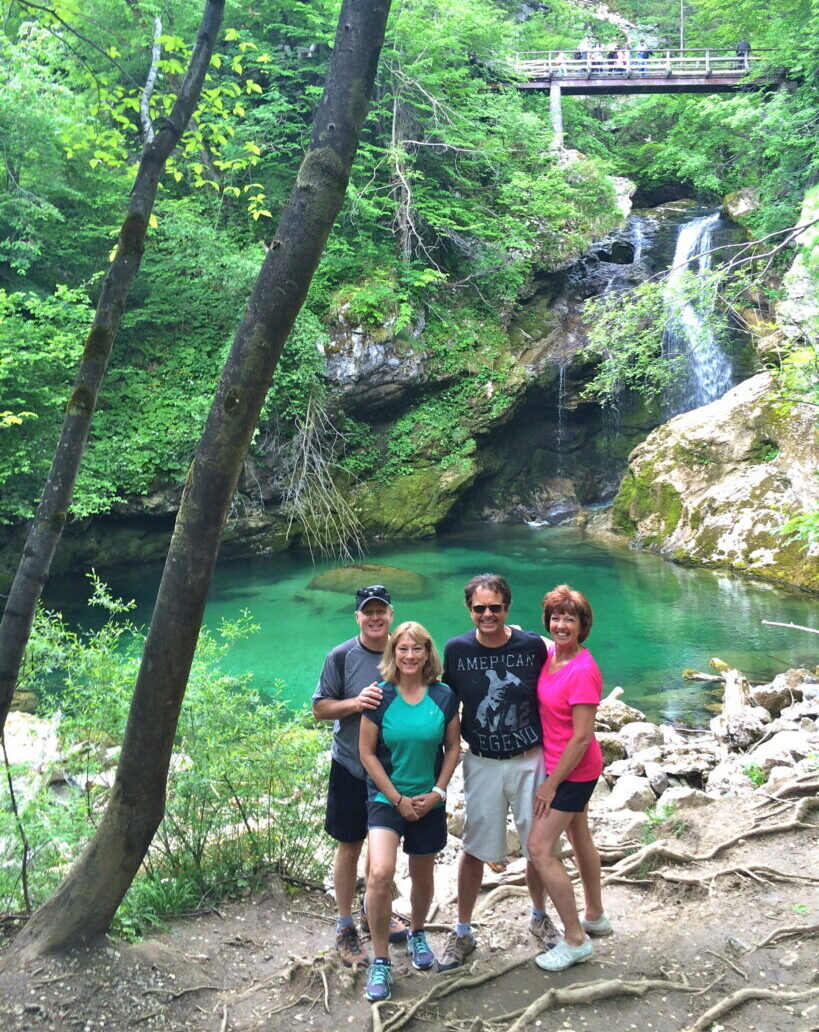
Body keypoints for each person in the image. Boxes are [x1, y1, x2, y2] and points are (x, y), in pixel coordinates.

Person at [437, 574, 560, 971]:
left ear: (508, 608)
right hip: (483, 761)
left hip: (530, 758)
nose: (487, 615)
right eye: (480, 608)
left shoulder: (532, 647)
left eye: (495, 607)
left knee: (537, 847)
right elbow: (445, 703)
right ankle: (462, 930)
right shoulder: (456, 650)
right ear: (469, 609)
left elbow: (557, 691)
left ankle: (541, 919)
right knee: (474, 847)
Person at [359, 622, 460, 1002]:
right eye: (402, 649)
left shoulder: (444, 695)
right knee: (380, 873)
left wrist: (437, 792)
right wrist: (397, 798)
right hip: (387, 799)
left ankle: (418, 933)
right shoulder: (380, 697)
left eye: (417, 649)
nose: (409, 656)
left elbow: (453, 747)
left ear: (427, 652)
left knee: (422, 871)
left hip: (428, 799)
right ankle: (381, 960)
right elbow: (367, 752)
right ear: (393, 653)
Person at [312, 585, 409, 967]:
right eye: (367, 612)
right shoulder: (341, 656)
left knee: (382, 849)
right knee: (350, 846)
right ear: (358, 617)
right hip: (351, 765)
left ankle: (374, 910)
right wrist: (356, 703)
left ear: (391, 614)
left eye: (381, 611)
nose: (375, 618)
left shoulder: (404, 651)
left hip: (394, 769)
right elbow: (320, 708)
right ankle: (345, 924)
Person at [527, 585, 611, 973]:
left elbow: (581, 737)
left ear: (582, 625)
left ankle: (575, 939)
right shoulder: (552, 656)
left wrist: (550, 783)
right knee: (579, 838)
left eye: (569, 619)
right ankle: (595, 915)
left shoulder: (582, 670)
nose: (561, 625)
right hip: (571, 767)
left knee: (540, 848)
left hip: (572, 771)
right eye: (556, 618)